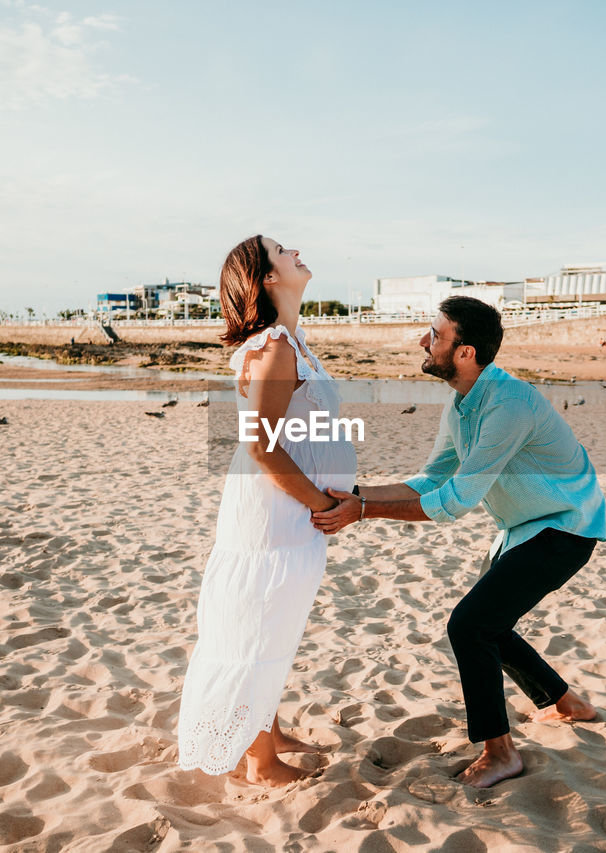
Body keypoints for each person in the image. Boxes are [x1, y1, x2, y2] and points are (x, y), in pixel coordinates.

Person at [312, 296, 606, 788]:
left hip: (567, 526)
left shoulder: (508, 405)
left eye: (435, 333)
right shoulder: (462, 401)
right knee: (490, 624)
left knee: (471, 625)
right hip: (527, 526)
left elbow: (455, 501)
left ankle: (501, 753)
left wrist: (362, 512)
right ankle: (566, 704)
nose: (423, 340)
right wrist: (354, 495)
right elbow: (431, 479)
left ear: (465, 351)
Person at [176, 236, 356, 786]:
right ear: (266, 279)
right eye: (282, 249)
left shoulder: (291, 342)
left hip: (287, 513)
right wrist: (323, 502)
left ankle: (267, 731)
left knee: (271, 623)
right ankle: (260, 762)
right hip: (274, 514)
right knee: (257, 627)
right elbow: (261, 445)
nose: (296, 249)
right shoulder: (276, 347)